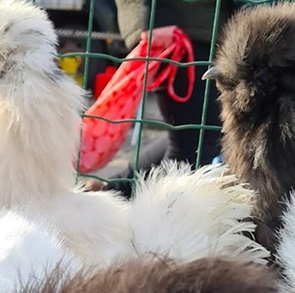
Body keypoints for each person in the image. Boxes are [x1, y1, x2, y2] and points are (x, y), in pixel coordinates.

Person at [94, 0, 238, 198]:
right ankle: (166, 219)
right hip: (179, 25)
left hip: (197, 23)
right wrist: (154, 16)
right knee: (197, 143)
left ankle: (109, 193)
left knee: (192, 135)